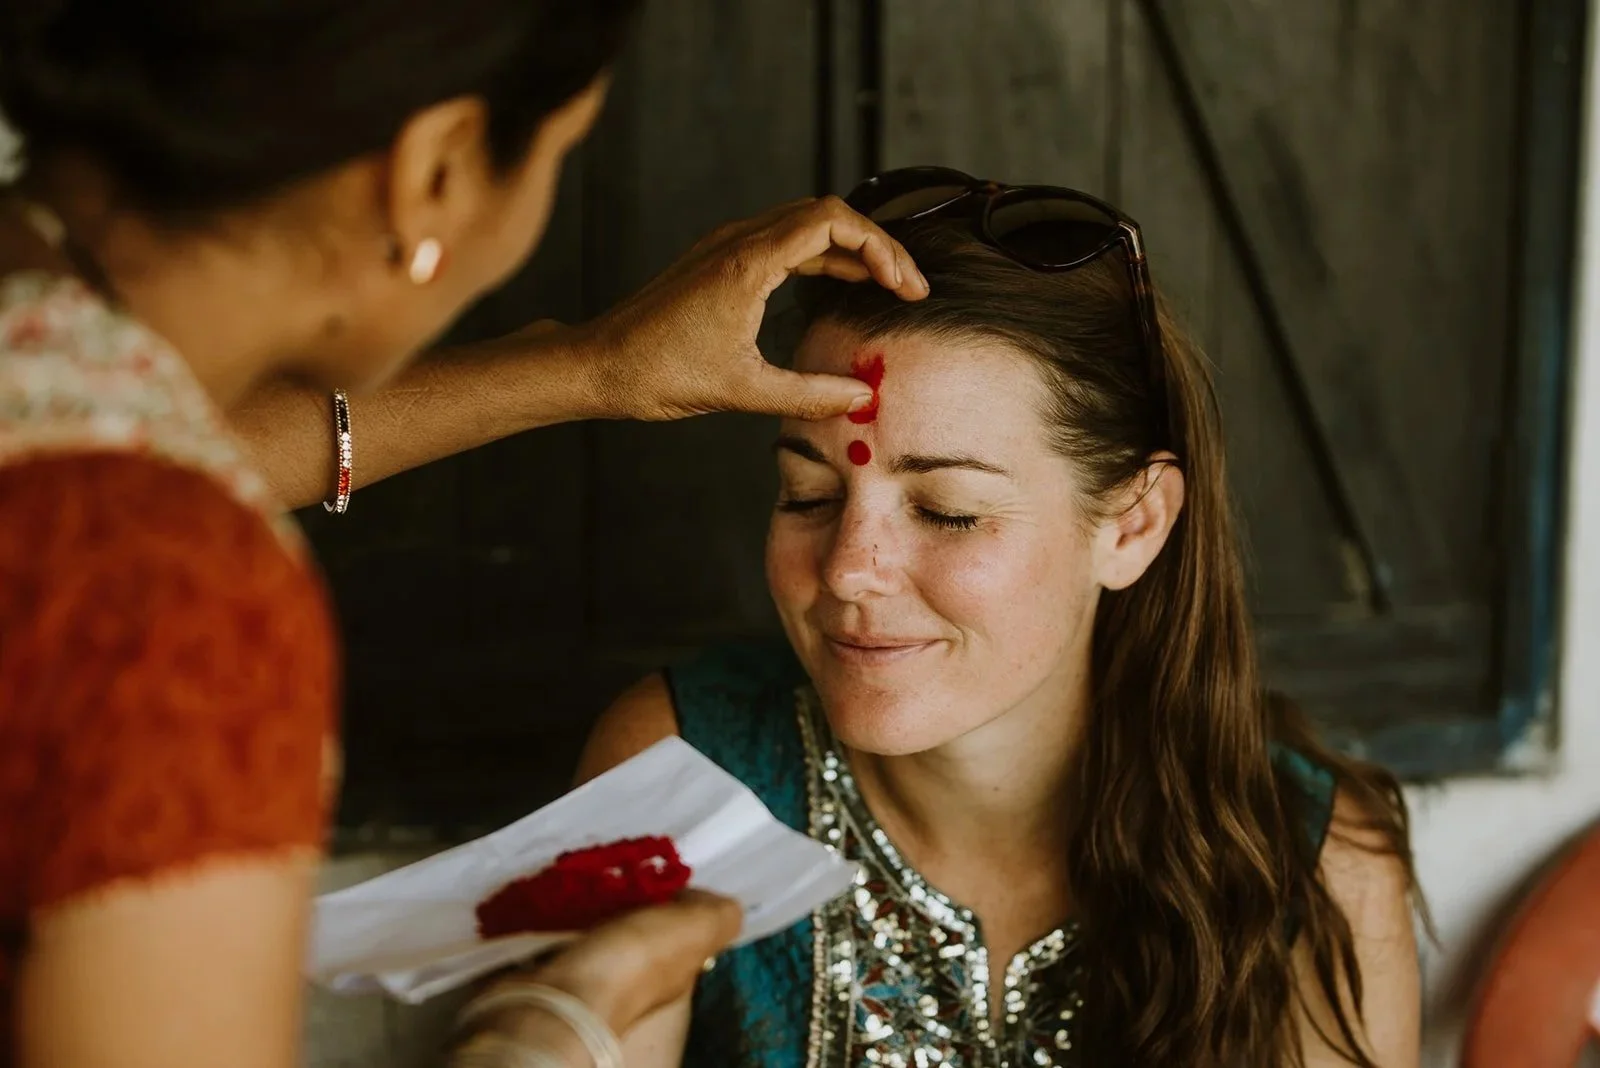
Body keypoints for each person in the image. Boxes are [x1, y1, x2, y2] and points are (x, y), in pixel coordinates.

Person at [0, 2, 926, 1066]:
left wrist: (592, 365)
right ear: (434, 167)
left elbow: (135, 432)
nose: (855, 570)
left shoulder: (64, 396)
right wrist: (546, 1033)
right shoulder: (162, 587)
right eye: (557, 156)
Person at [574, 169, 1423, 1068]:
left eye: (947, 509)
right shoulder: (681, 777)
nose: (851, 569)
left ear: (1132, 525)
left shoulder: (1312, 862)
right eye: (809, 494)